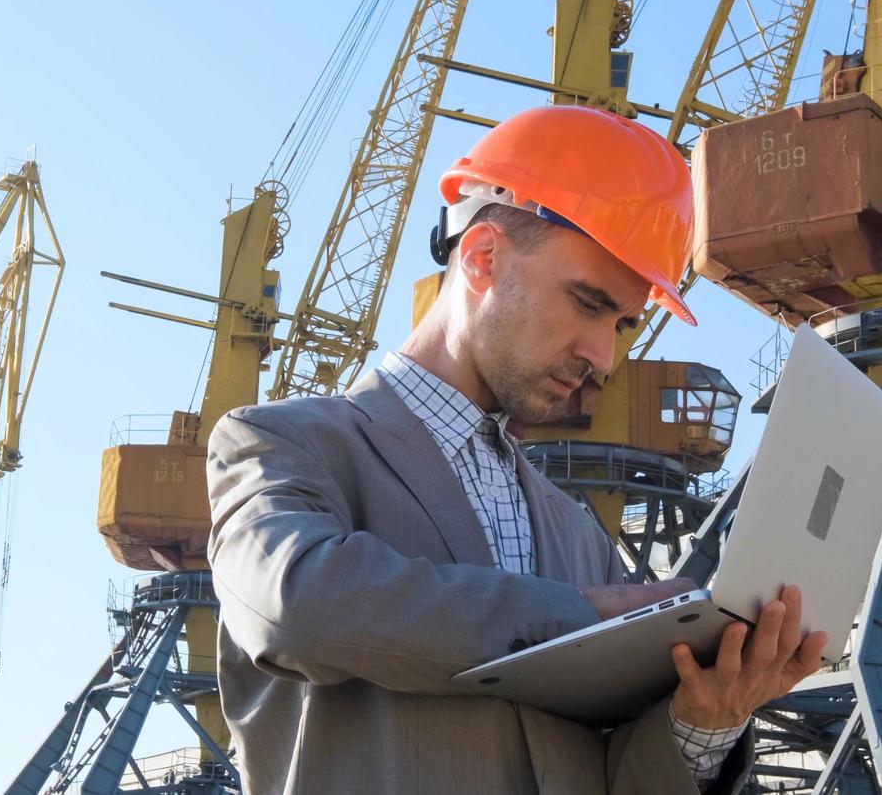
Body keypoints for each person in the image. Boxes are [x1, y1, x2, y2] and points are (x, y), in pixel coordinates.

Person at [206, 105, 828, 794]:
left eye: (622, 323)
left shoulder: (577, 534)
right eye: (588, 303)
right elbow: (295, 602)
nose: (603, 355)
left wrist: (706, 718)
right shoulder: (283, 444)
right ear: (481, 258)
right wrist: (581, 617)